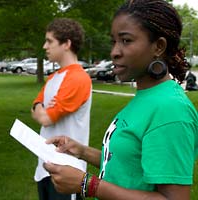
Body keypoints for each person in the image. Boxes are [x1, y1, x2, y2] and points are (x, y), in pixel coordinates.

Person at [43, 0, 198, 199]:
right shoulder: (148, 96)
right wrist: (80, 150)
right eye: (113, 41)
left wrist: (87, 184)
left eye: (126, 40)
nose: (114, 52)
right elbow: (127, 165)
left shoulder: (171, 110)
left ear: (158, 46)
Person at [31, 18, 92, 200]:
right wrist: (41, 109)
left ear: (66, 44)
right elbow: (35, 107)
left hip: (67, 170)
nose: (44, 46)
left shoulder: (78, 78)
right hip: (45, 165)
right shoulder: (54, 77)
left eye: (49, 41)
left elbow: (45, 118)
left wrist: (42, 111)